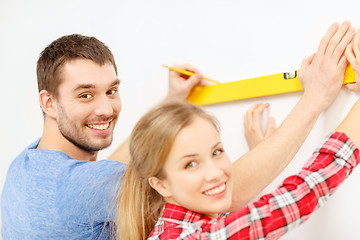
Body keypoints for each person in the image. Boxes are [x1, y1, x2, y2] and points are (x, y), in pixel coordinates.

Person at [1, 20, 354, 239]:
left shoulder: (26, 165)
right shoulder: (89, 190)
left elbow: (120, 167)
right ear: (47, 102)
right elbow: (232, 193)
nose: (106, 108)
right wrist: (316, 97)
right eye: (85, 95)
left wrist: (169, 103)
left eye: (112, 90)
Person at [115, 23, 360, 239]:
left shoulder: (178, 226)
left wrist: (262, 152)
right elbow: (299, 196)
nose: (215, 173)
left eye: (217, 152)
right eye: (190, 164)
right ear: (160, 185)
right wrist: (315, 97)